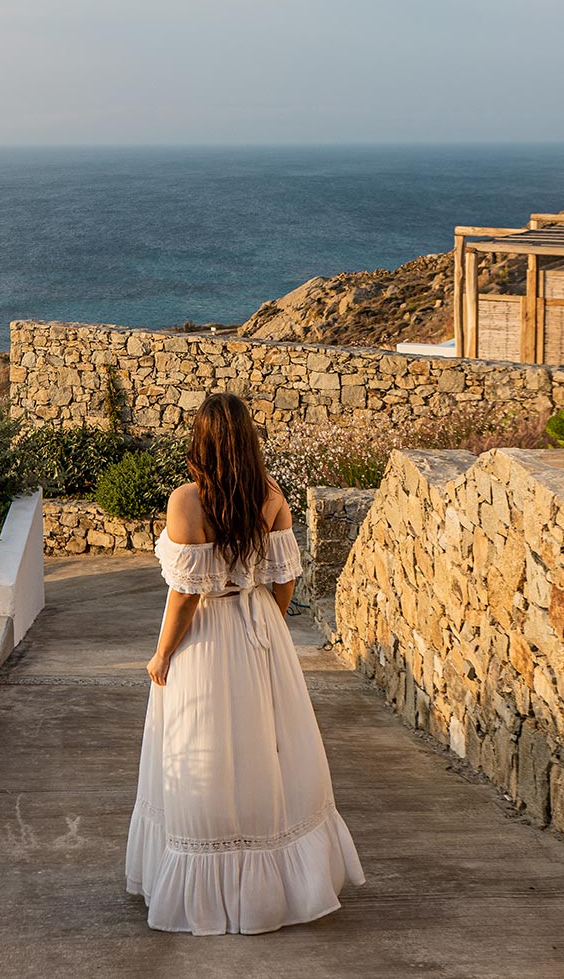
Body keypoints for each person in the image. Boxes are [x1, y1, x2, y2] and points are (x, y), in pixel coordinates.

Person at [124, 392, 365, 935]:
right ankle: (274, 882)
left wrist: (163, 653)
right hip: (257, 631)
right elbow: (285, 579)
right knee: (265, 750)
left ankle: (206, 888)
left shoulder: (186, 501)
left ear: (201, 441)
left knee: (202, 745)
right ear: (248, 441)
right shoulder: (271, 495)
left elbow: (186, 596)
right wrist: (266, 626)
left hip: (206, 637)